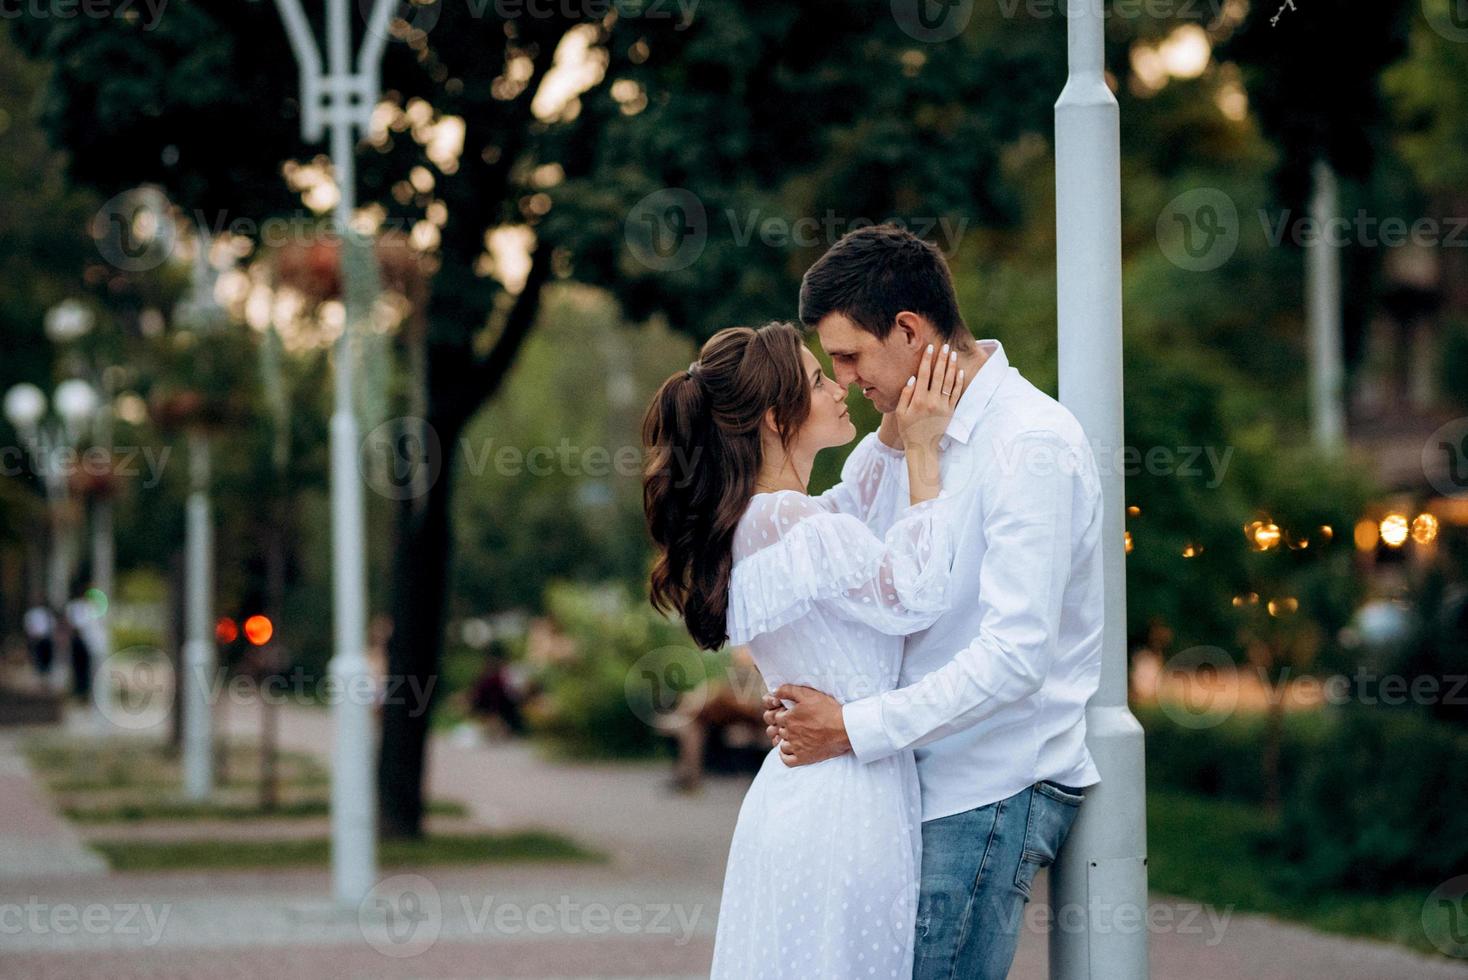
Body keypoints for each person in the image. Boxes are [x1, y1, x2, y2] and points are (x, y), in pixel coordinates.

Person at [763, 224, 1105, 980]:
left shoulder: (1031, 444)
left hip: (984, 788)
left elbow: (1015, 657)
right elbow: (835, 560)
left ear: (909, 331)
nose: (845, 379)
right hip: (903, 786)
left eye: (850, 356)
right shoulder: (898, 441)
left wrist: (850, 727)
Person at [642, 320, 963, 979]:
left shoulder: (760, 522)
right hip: (845, 803)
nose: (840, 385)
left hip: (800, 796)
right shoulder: (792, 523)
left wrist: (892, 436)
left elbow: (846, 512)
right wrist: (925, 454)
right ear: (773, 416)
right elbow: (918, 593)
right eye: (819, 380)